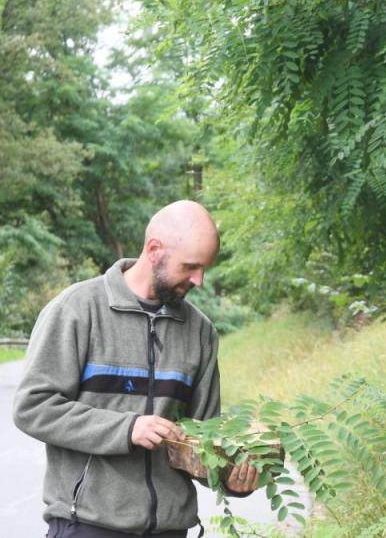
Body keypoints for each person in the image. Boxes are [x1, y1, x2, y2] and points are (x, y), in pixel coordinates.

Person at [13, 200, 260, 538]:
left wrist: (232, 476)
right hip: (88, 525)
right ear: (154, 249)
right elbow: (32, 406)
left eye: (204, 268)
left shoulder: (201, 332)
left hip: (171, 529)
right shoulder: (76, 310)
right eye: (190, 266)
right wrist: (126, 428)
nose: (199, 280)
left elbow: (202, 438)